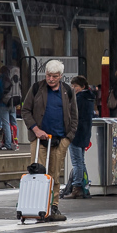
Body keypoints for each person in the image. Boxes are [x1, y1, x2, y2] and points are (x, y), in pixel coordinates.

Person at [19, 60, 78, 222]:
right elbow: (26, 109)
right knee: (37, 174)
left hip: (60, 139)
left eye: (54, 76)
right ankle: (37, 206)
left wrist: (68, 137)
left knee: (54, 175)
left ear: (61, 76)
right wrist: (36, 129)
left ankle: (53, 207)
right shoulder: (37, 88)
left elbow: (74, 115)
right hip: (39, 140)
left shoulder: (67, 91)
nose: (50, 79)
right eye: (48, 76)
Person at [62, 75, 94, 200]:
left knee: (76, 163)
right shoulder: (90, 98)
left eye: (75, 86)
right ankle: (84, 186)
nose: (73, 88)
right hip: (85, 133)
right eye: (72, 86)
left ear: (83, 87)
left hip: (75, 133)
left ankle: (77, 188)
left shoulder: (78, 99)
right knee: (81, 161)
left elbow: (70, 115)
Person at [0, 64, 17, 151]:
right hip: (13, 103)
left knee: (6, 124)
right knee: (14, 123)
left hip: (3, 104)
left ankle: (7, 144)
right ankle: (15, 142)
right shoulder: (13, 79)